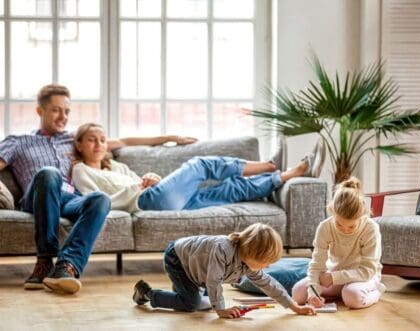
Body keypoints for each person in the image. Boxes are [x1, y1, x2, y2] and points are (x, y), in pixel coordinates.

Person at [0, 84, 196, 294]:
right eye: (56, 110)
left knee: (100, 199)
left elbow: (124, 141)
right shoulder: (18, 142)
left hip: (69, 199)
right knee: (49, 173)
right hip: (38, 198)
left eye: (66, 111)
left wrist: (170, 138)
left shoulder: (73, 139)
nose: (62, 116)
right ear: (40, 111)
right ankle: (44, 260)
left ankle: (66, 267)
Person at [71, 123, 325, 213]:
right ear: (79, 145)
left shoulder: (116, 165)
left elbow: (141, 179)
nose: (98, 144)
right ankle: (269, 165)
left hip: (162, 197)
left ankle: (286, 174)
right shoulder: (81, 171)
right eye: (91, 139)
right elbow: (94, 202)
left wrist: (150, 177)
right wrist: (139, 188)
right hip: (146, 202)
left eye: (102, 139)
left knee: (230, 189)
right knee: (201, 164)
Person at [132, 223, 316, 318]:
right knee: (192, 304)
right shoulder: (223, 249)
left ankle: (182, 291)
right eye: (264, 262)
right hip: (179, 259)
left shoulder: (248, 263)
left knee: (202, 301)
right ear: (250, 253)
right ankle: (147, 293)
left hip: (197, 268)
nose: (267, 267)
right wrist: (221, 310)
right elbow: (214, 281)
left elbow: (269, 284)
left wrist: (294, 307)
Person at [291, 177, 385, 309]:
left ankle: (376, 292)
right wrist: (313, 294)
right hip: (334, 275)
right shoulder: (325, 227)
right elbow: (317, 265)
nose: (345, 230)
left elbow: (367, 270)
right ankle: (340, 293)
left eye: (351, 226)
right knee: (298, 293)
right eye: (339, 224)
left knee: (352, 297)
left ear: (363, 215)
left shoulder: (370, 228)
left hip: (364, 277)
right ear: (332, 211)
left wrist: (334, 278)